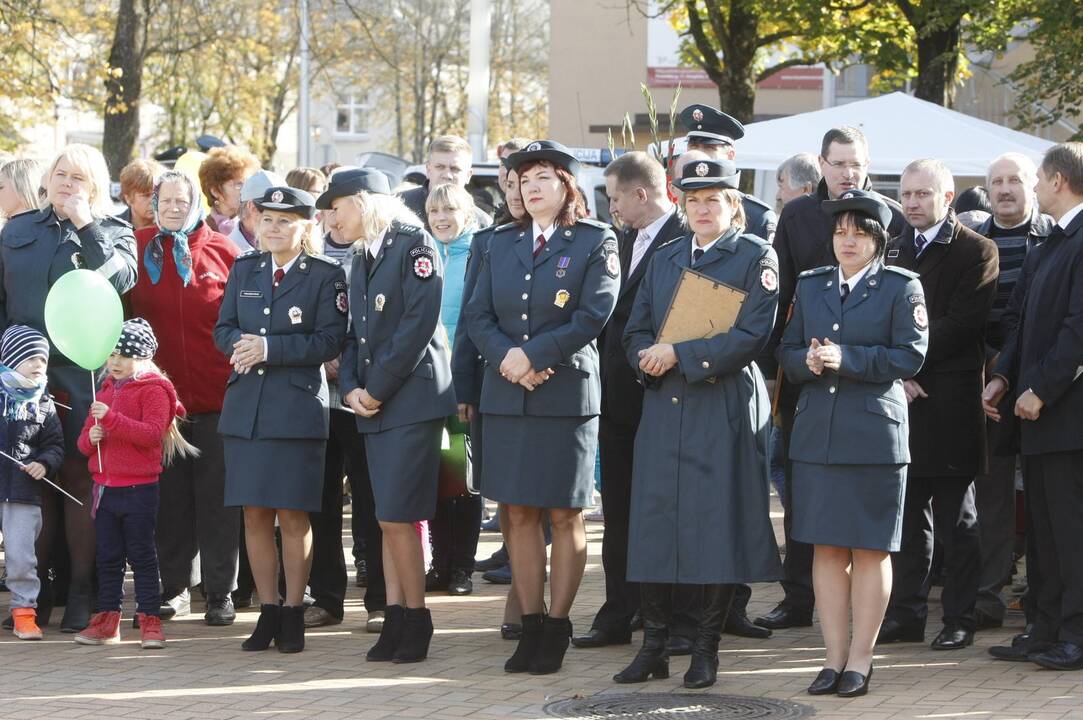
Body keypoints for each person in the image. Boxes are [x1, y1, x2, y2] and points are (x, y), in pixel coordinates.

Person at [617, 158, 781, 689]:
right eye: (693, 201)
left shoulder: (756, 256)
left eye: (714, 200)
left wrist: (679, 355)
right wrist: (646, 356)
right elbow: (634, 326)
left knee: (717, 524)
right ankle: (656, 646)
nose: (703, 209)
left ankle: (705, 649)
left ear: (733, 205)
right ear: (682, 206)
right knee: (655, 521)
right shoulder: (665, 258)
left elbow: (753, 333)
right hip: (666, 402)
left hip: (722, 402)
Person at [466, 140, 619, 675]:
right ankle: (528, 625)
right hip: (507, 393)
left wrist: (534, 355)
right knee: (517, 513)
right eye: (523, 179)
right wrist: (510, 359)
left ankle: (556, 625)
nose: (530, 188)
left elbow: (594, 314)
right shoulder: (497, 242)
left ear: (567, 186)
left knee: (564, 512)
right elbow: (477, 314)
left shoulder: (595, 241)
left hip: (564, 396)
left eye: (543, 178)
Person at [758, 126, 905, 634]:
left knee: (865, 523)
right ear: (820, 164)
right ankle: (799, 599)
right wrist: (781, 363)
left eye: (856, 164)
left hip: (867, 388)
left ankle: (868, 616)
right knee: (805, 500)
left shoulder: (888, 217)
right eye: (838, 163)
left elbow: (900, 314)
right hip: (806, 382)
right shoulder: (799, 214)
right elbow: (777, 295)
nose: (848, 173)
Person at [782, 190, 928, 697]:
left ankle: (861, 660)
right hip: (817, 432)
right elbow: (787, 350)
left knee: (868, 550)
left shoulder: (901, 286)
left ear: (878, 239)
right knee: (825, 547)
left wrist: (850, 359)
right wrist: (810, 362)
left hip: (873, 437)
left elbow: (910, 356)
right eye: (840, 230)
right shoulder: (811, 283)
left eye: (859, 232)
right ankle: (832, 657)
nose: (847, 239)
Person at [0, 143, 138, 633]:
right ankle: (35, 597)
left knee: (78, 480)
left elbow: (120, 279)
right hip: (21, 376)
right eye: (60, 174)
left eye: (78, 177)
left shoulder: (115, 232)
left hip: (80, 374)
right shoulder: (18, 229)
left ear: (95, 185)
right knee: (30, 485)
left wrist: (85, 224)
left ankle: (82, 592)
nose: (66, 183)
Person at [326, 169, 454, 664]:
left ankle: (416, 618)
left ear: (362, 202)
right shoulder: (362, 256)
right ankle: (397, 615)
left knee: (400, 515)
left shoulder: (414, 244)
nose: (332, 218)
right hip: (375, 400)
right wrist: (353, 386)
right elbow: (357, 333)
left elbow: (416, 326)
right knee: (386, 518)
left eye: (338, 207)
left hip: (412, 398)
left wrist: (373, 388)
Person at [214, 186, 348, 654]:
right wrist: (241, 345)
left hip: (295, 411)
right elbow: (223, 327)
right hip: (247, 408)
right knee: (254, 513)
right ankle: (267, 611)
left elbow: (331, 341)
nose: (273, 228)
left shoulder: (325, 275)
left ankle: (294, 611)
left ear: (305, 226)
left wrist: (270, 348)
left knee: (293, 515)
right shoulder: (244, 268)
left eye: (284, 220)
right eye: (267, 219)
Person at [878, 159, 997, 650]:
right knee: (906, 519)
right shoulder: (892, 247)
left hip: (949, 401)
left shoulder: (977, 251)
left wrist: (910, 365)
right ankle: (906, 615)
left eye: (923, 194)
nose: (911, 203)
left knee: (957, 519)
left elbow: (965, 322)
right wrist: (898, 373)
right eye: (906, 194)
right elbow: (880, 316)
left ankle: (959, 618)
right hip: (903, 402)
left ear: (948, 198)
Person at [572, 152, 684, 652]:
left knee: (666, 512)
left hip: (667, 399)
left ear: (641, 193)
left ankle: (672, 616)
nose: (610, 207)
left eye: (615, 197)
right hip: (618, 401)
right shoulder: (619, 240)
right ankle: (619, 609)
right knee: (618, 511)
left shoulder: (687, 238)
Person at [984, 142, 1083, 671]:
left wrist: (1040, 388)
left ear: (1058, 181)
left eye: (1038, 179)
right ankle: (1043, 628)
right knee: (1043, 534)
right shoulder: (1054, 243)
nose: (1036, 188)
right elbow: (1024, 322)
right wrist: (1002, 375)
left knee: (1070, 533)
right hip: (1039, 419)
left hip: (1068, 419)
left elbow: (1077, 332)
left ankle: (1075, 634)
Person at [128, 170, 242, 625]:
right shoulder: (137, 249)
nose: (175, 208)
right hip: (160, 401)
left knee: (217, 498)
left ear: (196, 203)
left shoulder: (224, 251)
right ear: (154, 205)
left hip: (217, 396)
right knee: (170, 500)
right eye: (166, 200)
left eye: (183, 200)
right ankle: (174, 587)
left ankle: (219, 591)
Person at [74, 318, 199, 649]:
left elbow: (151, 434)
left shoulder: (154, 390)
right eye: (112, 355)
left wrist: (111, 421)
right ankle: (108, 621)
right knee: (109, 557)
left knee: (143, 555)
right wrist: (91, 437)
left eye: (124, 356)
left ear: (142, 359)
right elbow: (84, 444)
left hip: (140, 488)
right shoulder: (102, 389)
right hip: (105, 488)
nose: (115, 362)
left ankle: (149, 621)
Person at [972, 153, 1053, 633]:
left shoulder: (1054, 238)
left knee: (1047, 499)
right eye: (996, 182)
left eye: (1015, 180)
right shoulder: (975, 241)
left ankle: (1042, 595)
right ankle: (988, 598)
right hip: (986, 385)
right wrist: (992, 371)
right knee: (994, 499)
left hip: (1045, 386)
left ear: (1033, 186)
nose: (1005, 189)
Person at [305, 168, 387, 633]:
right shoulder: (316, 255)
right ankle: (327, 597)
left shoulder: (375, 252)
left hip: (363, 397)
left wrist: (348, 366)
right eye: (327, 211)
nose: (331, 219)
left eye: (336, 208)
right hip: (321, 398)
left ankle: (378, 597)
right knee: (321, 502)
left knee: (373, 502)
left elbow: (370, 326)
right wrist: (326, 358)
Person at [454, 167, 530, 637]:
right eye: (512, 184)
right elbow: (471, 319)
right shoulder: (488, 241)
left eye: (530, 182)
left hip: (548, 382)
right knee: (504, 494)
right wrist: (465, 387)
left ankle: (526, 604)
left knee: (540, 502)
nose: (520, 191)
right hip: (493, 381)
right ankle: (518, 598)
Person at [424, 183, 483, 597]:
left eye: (449, 209)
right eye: (433, 211)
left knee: (462, 478)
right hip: (426, 384)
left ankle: (462, 566)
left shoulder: (479, 253)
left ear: (467, 212)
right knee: (434, 478)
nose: (441, 217)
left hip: (463, 383)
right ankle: (439, 563)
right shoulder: (422, 253)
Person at [0, 326, 64, 639]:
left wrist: (44, 464)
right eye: (30, 358)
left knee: (21, 556)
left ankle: (24, 612)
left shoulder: (44, 403)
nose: (39, 364)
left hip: (23, 491)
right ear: (11, 359)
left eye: (43, 359)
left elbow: (55, 445)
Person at [677, 103, 777, 242]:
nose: (699, 154)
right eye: (693, 146)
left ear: (730, 156)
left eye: (708, 148)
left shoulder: (757, 216)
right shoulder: (674, 207)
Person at [398, 135, 493, 230]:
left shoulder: (481, 222)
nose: (447, 175)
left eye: (455, 169)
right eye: (440, 167)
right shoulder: (399, 206)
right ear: (428, 170)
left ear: (468, 175)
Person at [198, 145, 259, 236]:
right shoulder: (202, 230)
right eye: (238, 184)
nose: (245, 189)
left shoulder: (255, 225)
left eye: (247, 183)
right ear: (215, 191)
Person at [228, 170, 286, 253]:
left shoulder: (290, 246)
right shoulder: (227, 252)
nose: (284, 215)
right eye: (274, 209)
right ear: (253, 207)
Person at [118, 159, 165, 230]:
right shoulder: (112, 229)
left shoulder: (172, 228)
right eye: (146, 195)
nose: (153, 201)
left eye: (158, 194)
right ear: (128, 198)